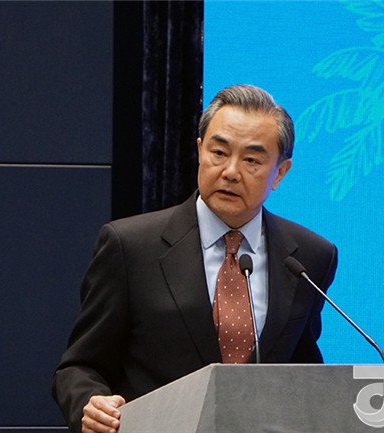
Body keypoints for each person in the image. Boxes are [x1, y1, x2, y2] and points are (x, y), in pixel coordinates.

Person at [52, 84, 338, 433]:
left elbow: (302, 370)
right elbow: (79, 367)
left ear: (280, 172)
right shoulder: (131, 247)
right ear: (200, 150)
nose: (230, 171)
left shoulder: (310, 257)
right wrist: (90, 402)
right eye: (219, 152)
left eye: (251, 160)